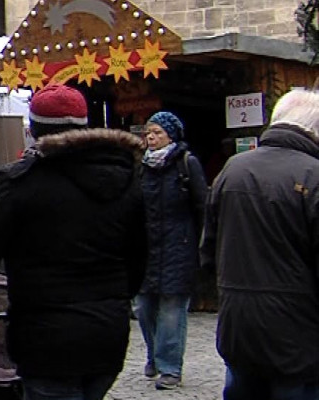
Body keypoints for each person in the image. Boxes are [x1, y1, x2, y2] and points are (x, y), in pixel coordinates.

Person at [0, 84, 147, 400]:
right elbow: (139, 258)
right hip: (107, 331)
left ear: (34, 129)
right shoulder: (125, 179)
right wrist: (115, 299)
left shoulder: (21, 182)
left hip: (45, 336)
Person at [201, 89, 319, 399]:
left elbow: (208, 248)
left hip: (238, 324)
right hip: (298, 330)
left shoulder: (233, 169)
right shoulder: (314, 175)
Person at [135, 111, 207, 390]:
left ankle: (169, 368)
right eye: (148, 133)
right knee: (143, 307)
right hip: (148, 249)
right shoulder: (141, 167)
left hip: (179, 247)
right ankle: (154, 354)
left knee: (171, 310)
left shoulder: (186, 164)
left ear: (171, 136)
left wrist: (202, 247)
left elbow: (202, 206)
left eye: (157, 133)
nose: (151, 138)